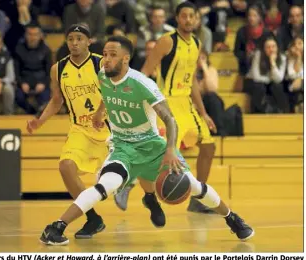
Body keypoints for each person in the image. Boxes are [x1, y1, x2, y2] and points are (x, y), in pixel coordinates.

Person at [39, 36, 254, 246]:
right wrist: (99, 112)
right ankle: (56, 227)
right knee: (105, 186)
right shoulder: (103, 74)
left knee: (194, 185)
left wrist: (170, 149)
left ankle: (232, 218)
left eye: (112, 55)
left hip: (154, 147)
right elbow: (106, 94)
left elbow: (170, 119)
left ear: (126, 59)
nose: (106, 59)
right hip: (122, 147)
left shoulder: (142, 83)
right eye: (104, 54)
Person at [115, 2, 217, 214]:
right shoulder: (166, 42)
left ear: (197, 19)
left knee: (208, 147)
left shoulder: (197, 43)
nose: (188, 20)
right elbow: (144, 72)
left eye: (192, 16)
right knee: (159, 152)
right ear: (177, 19)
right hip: (166, 102)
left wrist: (204, 113)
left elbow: (192, 83)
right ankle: (127, 185)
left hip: (186, 104)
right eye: (184, 16)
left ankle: (197, 200)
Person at [27, 24, 110, 239]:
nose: (74, 43)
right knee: (65, 167)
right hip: (80, 129)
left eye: (79, 38)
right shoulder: (58, 68)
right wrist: (40, 121)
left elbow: (114, 92)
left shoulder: (101, 63)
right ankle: (93, 218)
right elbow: (57, 100)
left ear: (89, 41)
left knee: (114, 183)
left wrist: (101, 112)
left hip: (109, 129)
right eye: (71, 38)